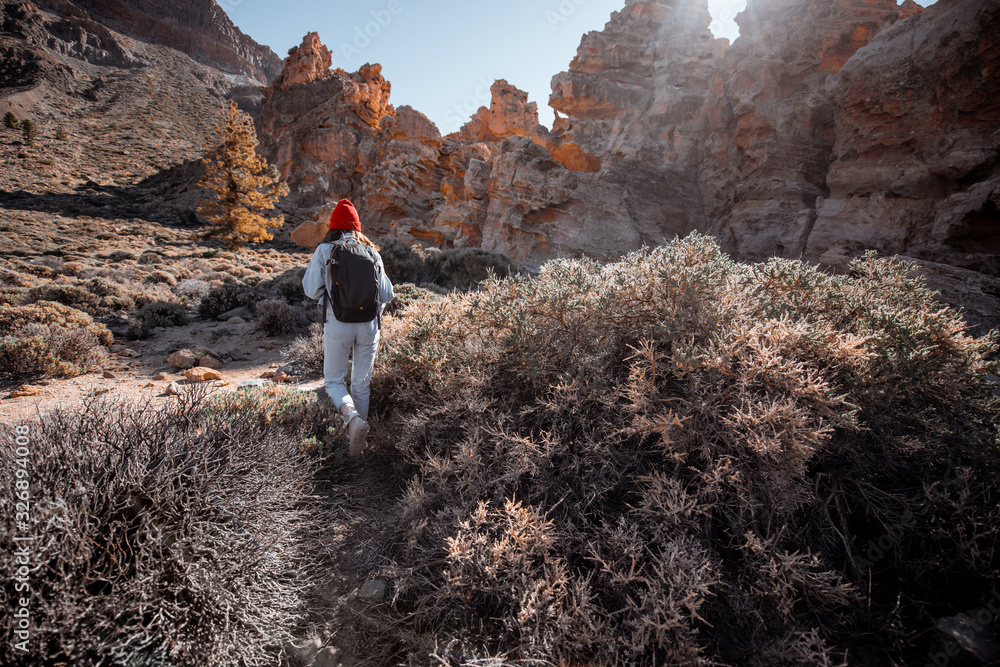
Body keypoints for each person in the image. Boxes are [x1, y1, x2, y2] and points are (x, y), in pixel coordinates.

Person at [302, 198, 394, 457]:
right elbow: (387, 294)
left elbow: (310, 290)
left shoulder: (325, 250)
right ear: (357, 228)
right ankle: (359, 448)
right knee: (361, 384)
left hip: (338, 323)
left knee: (333, 381)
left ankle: (351, 419)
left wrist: (330, 292)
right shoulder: (373, 252)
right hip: (369, 326)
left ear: (333, 227)